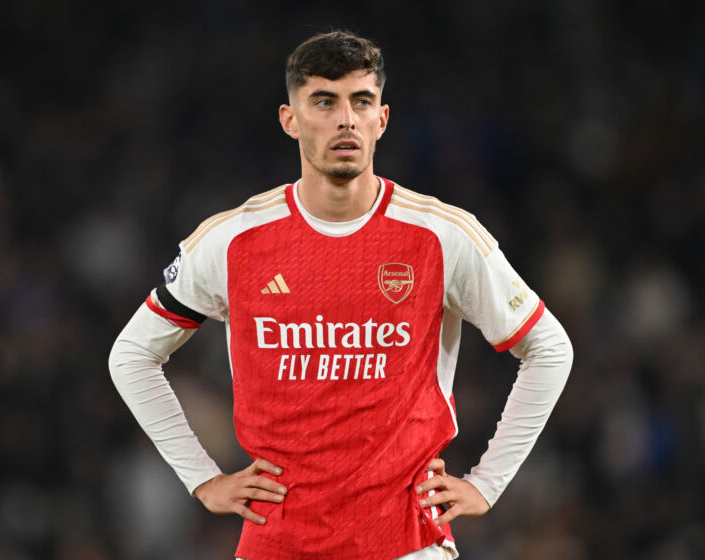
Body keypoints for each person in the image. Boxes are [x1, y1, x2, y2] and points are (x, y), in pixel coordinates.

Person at [109, 30, 573, 560]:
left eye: (361, 101)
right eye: (324, 102)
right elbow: (132, 355)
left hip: (406, 545)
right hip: (276, 543)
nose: (345, 119)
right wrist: (202, 479)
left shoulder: (441, 236)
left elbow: (550, 349)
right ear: (290, 119)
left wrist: (488, 483)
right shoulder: (231, 242)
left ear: (382, 118)